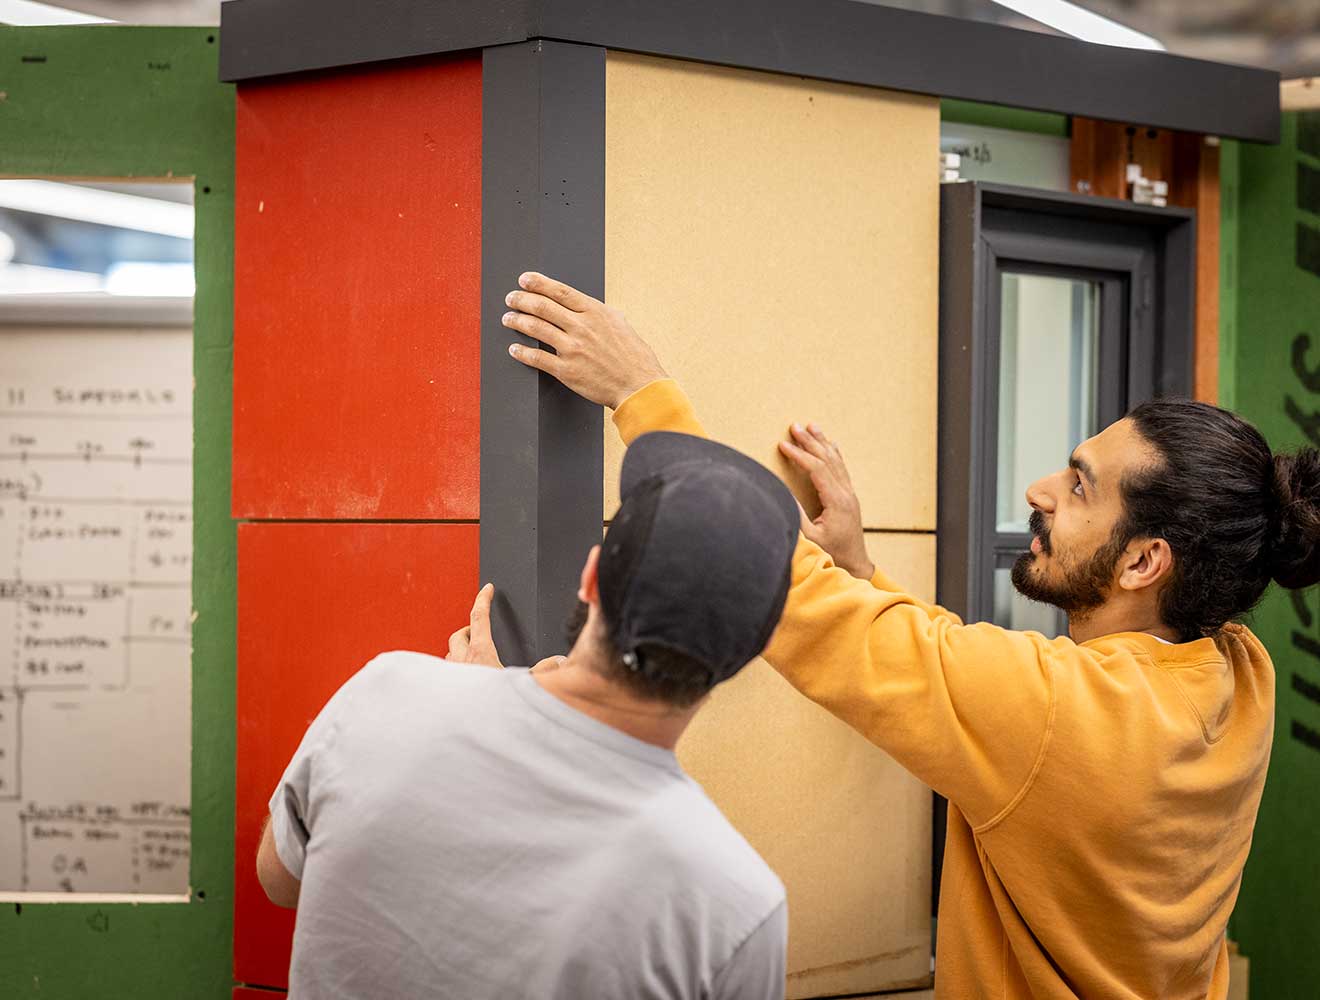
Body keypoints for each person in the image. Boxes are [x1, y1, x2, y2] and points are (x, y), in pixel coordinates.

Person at [498, 270, 1320, 999]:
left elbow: (774, 583)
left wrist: (645, 396)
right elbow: (980, 690)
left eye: (1078, 488)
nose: (1039, 490)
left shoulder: (1059, 712)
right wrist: (860, 569)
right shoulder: (1235, 672)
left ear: (1145, 561)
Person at [254, 431, 801, 999]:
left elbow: (281, 879)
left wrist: (470, 704)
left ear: (591, 579)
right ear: (744, 658)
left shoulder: (385, 693)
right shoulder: (735, 904)